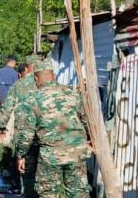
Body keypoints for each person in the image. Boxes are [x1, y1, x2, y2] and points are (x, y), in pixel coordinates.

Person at [14, 59, 91, 198]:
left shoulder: (32, 100)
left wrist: (21, 155)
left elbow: (26, 135)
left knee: (48, 194)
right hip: (77, 153)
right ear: (54, 76)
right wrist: (91, 140)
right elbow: (87, 121)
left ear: (36, 78)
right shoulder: (73, 94)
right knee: (79, 193)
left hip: (50, 155)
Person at [0, 54, 40, 197]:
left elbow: (7, 108)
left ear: (27, 68)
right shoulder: (46, 83)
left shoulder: (19, 85)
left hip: (24, 134)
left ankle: (25, 192)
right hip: (45, 135)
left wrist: (1, 127)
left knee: (25, 170)